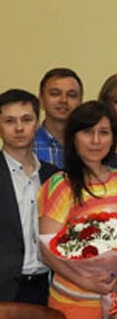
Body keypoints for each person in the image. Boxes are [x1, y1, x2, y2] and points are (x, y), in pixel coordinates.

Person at [37, 101, 117, 319]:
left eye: (103, 133)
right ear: (74, 138)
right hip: (75, 301)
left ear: (113, 138)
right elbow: (46, 250)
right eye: (87, 132)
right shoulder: (60, 185)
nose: (96, 141)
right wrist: (86, 282)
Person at [0, 89, 58, 304]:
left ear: (37, 123)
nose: (19, 128)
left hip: (48, 286)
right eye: (9, 121)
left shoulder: (54, 176)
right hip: (4, 288)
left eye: (26, 119)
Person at [34, 68, 83, 168]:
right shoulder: (27, 145)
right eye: (55, 94)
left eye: (72, 95)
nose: (63, 100)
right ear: (41, 100)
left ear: (80, 103)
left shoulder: (89, 145)